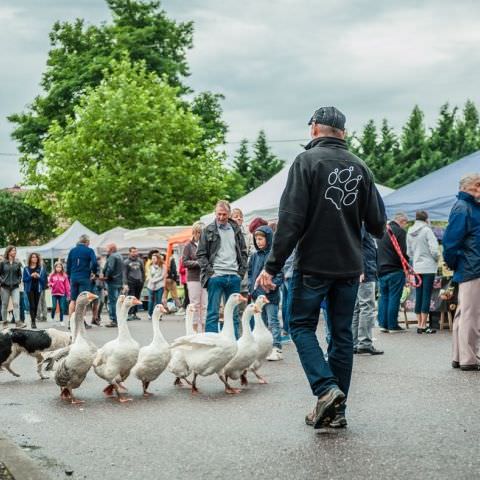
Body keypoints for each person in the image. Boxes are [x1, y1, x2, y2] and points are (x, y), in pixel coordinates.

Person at [256, 106, 386, 429]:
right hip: (348, 268)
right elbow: (379, 225)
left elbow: (290, 222)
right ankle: (337, 410)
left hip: (313, 265)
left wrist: (271, 266)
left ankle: (327, 389)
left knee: (299, 325)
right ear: (342, 132)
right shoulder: (361, 167)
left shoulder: (305, 162)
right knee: (341, 335)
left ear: (314, 129)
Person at [443, 173, 480, 371]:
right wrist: (454, 262)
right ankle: (469, 358)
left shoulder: (467, 207)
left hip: (469, 265)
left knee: (464, 313)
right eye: (477, 186)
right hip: (472, 266)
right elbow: (450, 241)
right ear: (468, 187)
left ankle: (461, 356)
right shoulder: (464, 207)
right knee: (471, 315)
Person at [197, 200, 248, 337]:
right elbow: (201, 254)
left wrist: (240, 272)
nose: (221, 217)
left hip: (234, 276)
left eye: (224, 214)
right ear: (215, 213)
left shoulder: (236, 229)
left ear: (229, 214)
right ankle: (211, 345)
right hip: (216, 276)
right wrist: (210, 273)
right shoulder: (208, 230)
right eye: (218, 214)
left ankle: (235, 345)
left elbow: (243, 252)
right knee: (213, 313)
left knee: (234, 314)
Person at [248, 225, 284, 360]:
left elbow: (280, 274)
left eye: (261, 239)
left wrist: (273, 286)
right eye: (256, 239)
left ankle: (276, 348)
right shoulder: (254, 256)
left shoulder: (273, 256)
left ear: (268, 239)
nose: (258, 241)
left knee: (273, 321)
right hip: (257, 295)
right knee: (260, 322)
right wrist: (252, 289)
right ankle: (262, 348)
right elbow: (251, 273)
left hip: (271, 295)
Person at [407, 210, 440, 334]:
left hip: (416, 267)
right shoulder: (427, 230)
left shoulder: (409, 231)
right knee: (427, 294)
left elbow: (408, 252)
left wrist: (415, 259)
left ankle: (419, 324)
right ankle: (423, 325)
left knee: (419, 294)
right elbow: (435, 249)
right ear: (426, 219)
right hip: (429, 267)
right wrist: (436, 259)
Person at [377, 212, 409, 333]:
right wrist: (407, 263)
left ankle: (383, 324)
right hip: (395, 269)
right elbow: (402, 252)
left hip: (381, 269)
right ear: (402, 221)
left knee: (383, 297)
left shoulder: (383, 230)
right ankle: (392, 325)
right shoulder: (400, 232)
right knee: (394, 297)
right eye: (405, 224)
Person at [352, 228, 383, 354]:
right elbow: (356, 245)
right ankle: (364, 342)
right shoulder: (363, 224)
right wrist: (361, 269)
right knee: (366, 306)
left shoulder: (360, 223)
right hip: (365, 272)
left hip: (362, 271)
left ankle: (355, 342)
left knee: (358, 307)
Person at [66, 234, 98, 322]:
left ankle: (70, 322)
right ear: (87, 242)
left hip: (74, 277)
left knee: (73, 300)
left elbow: (68, 264)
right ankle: (81, 322)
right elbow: (95, 263)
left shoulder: (72, 250)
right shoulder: (89, 250)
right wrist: (94, 272)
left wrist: (70, 275)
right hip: (84, 277)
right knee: (83, 301)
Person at [183, 222, 207, 333]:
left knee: (205, 305)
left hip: (205, 278)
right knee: (195, 304)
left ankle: (205, 330)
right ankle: (194, 330)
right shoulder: (188, 246)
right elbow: (185, 262)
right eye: (198, 232)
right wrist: (198, 263)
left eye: (201, 233)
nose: (199, 235)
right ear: (194, 232)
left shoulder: (207, 245)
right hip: (193, 278)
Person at [23, 252, 48, 329]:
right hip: (29, 289)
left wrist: (38, 276)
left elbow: (44, 280)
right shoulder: (26, 268)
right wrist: (31, 276)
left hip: (38, 288)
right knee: (32, 305)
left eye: (36, 257)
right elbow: (24, 280)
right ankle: (33, 321)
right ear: (30, 258)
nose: (35, 258)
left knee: (36, 305)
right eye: (33, 257)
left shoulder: (41, 268)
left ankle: (34, 319)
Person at [0, 246, 23, 327]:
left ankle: (18, 322)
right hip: (4, 287)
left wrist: (18, 281)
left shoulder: (17, 263)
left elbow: (20, 275)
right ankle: (5, 322)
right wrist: (2, 281)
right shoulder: (2, 263)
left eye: (15, 250)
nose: (14, 252)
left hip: (15, 287)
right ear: (8, 252)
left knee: (16, 304)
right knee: (4, 304)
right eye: (13, 250)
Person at [102, 243, 124, 328]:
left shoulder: (112, 256)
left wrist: (106, 276)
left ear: (111, 249)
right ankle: (118, 319)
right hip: (119, 281)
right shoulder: (120, 256)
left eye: (107, 248)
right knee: (118, 301)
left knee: (112, 301)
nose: (106, 250)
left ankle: (113, 319)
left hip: (112, 281)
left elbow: (110, 268)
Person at [123, 247, 145, 320]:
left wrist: (143, 281)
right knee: (131, 298)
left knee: (137, 298)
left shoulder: (140, 261)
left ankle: (134, 313)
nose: (134, 253)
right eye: (133, 252)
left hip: (139, 282)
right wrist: (125, 284)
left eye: (135, 252)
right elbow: (124, 273)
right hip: (130, 282)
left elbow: (143, 271)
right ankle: (129, 314)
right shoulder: (126, 262)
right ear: (130, 252)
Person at [147, 253, 165, 319]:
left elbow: (163, 276)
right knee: (151, 301)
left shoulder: (163, 266)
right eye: (152, 258)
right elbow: (148, 274)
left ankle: (159, 315)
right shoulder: (150, 266)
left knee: (158, 301)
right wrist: (151, 280)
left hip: (159, 286)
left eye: (154, 258)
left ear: (158, 258)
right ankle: (150, 314)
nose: (153, 260)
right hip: (151, 286)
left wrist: (155, 281)